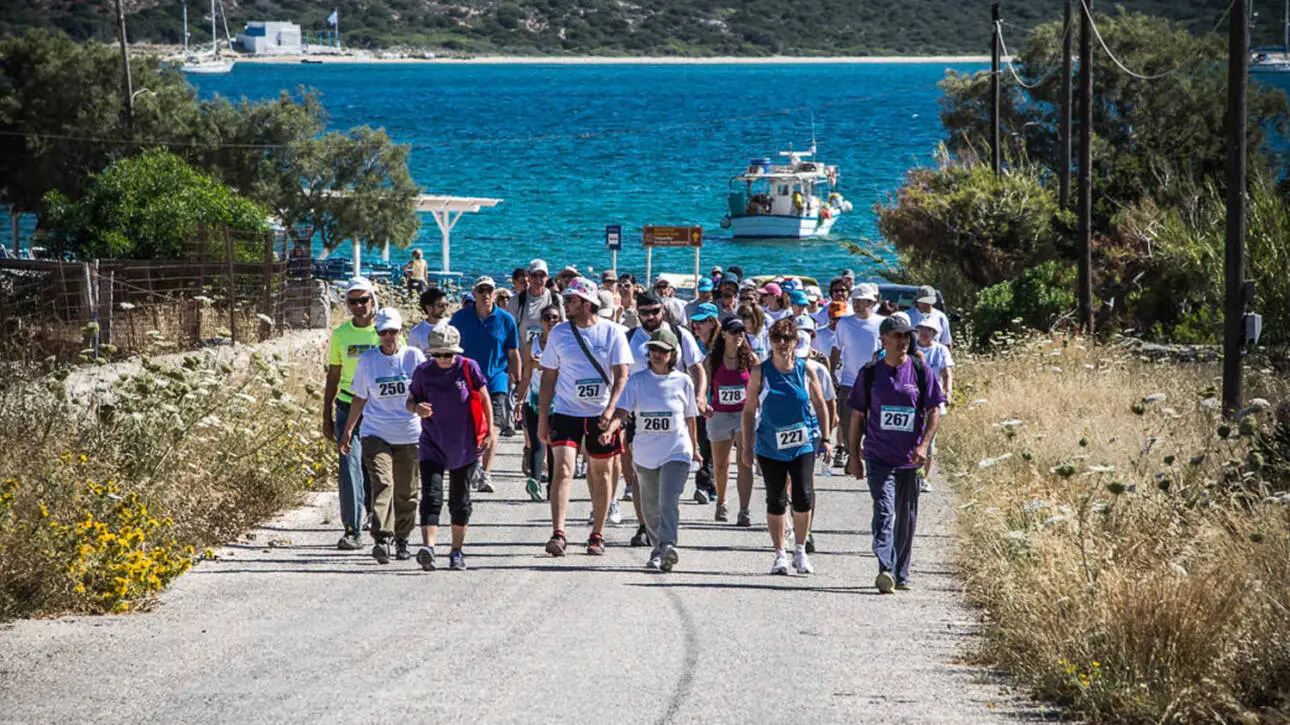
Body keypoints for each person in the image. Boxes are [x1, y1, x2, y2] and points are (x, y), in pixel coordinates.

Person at [847, 316, 945, 594]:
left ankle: (901, 573)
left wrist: (924, 445)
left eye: (907, 337)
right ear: (884, 340)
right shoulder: (869, 373)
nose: (904, 342)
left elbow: (934, 410)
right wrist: (854, 455)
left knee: (907, 516)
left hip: (910, 458)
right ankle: (885, 568)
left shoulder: (921, 371)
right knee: (884, 509)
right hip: (878, 455)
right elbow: (857, 416)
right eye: (897, 336)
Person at [537, 277, 633, 557]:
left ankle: (597, 534)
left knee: (601, 473)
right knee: (563, 469)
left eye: (571, 300)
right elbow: (548, 378)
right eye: (565, 299)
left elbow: (622, 375)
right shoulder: (559, 334)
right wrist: (544, 418)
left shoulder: (612, 332)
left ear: (587, 303)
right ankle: (558, 532)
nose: (566, 305)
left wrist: (611, 410)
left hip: (599, 414)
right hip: (566, 412)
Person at [741, 318, 831, 576]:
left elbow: (820, 403)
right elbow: (748, 411)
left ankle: (800, 549)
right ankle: (780, 553)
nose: (782, 344)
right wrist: (747, 446)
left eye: (788, 339)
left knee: (803, 496)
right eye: (777, 339)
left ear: (795, 342)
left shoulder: (806, 370)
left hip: (802, 443)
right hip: (770, 445)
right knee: (776, 499)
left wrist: (826, 438)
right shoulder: (760, 372)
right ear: (770, 341)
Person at [606, 328, 700, 572]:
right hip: (646, 453)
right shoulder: (637, 381)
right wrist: (610, 429)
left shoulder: (683, 381)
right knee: (649, 505)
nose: (657, 354)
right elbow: (623, 411)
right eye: (653, 350)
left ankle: (668, 545)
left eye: (663, 350)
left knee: (668, 499)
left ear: (673, 354)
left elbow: (690, 418)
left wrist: (695, 448)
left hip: (677, 451)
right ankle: (657, 549)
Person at [339, 307, 425, 564]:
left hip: (409, 433)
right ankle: (381, 537)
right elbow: (360, 396)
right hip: (376, 432)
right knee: (382, 482)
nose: (389, 337)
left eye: (393, 332)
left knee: (407, 491)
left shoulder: (414, 357)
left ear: (401, 332)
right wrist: (348, 430)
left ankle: (403, 539)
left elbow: (426, 391)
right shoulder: (369, 360)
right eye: (384, 332)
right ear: (378, 334)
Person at [623, 292, 708, 541]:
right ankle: (645, 525)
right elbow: (619, 375)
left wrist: (700, 396)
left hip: (675, 412)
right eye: (645, 312)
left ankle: (664, 534)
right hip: (638, 413)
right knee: (641, 474)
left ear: (664, 310)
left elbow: (697, 368)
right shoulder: (629, 338)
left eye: (655, 311)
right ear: (637, 313)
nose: (651, 317)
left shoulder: (680, 335)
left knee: (667, 488)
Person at [408, 324, 493, 572]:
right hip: (432, 442)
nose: (444, 359)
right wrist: (416, 408)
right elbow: (410, 400)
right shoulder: (423, 372)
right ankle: (429, 548)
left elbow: (484, 398)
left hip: (464, 445)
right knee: (432, 497)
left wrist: (490, 432)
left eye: (449, 354)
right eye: (438, 355)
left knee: (460, 501)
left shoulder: (468, 368)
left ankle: (456, 551)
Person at [323, 277, 380, 551]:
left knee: (378, 468)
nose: (358, 306)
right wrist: (326, 416)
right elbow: (333, 374)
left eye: (363, 300)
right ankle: (352, 529)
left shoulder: (385, 332)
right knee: (349, 466)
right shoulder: (341, 335)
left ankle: (383, 523)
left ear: (373, 299)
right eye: (352, 301)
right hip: (347, 407)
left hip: (379, 409)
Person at [450, 276, 521, 490]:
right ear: (474, 293)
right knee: (470, 426)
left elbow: (513, 352)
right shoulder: (460, 318)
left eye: (489, 290)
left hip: (495, 379)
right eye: (481, 290)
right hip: (466, 380)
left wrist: (517, 383)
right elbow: (450, 349)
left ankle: (486, 473)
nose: (486, 295)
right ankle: (475, 465)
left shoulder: (506, 320)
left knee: (494, 425)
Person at [705, 316, 757, 526]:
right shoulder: (712, 360)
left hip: (743, 414)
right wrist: (704, 404)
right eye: (734, 332)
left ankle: (744, 510)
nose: (738, 337)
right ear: (724, 334)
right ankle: (721, 501)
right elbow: (704, 386)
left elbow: (760, 385)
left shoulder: (751, 359)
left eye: (741, 333)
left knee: (745, 461)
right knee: (720, 465)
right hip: (719, 414)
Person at [829, 282, 886, 474]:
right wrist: (831, 374)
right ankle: (851, 453)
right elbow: (837, 348)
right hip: (849, 380)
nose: (859, 305)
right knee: (846, 421)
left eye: (863, 301)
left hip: (874, 381)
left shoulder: (880, 324)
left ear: (872, 303)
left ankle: (868, 457)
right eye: (856, 301)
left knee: (871, 423)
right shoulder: (845, 322)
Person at [515, 303, 561, 503]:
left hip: (558, 400)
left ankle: (552, 485)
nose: (551, 321)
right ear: (541, 321)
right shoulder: (531, 344)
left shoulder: (563, 344)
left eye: (555, 318)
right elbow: (526, 375)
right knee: (535, 442)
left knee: (552, 444)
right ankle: (535, 481)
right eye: (548, 317)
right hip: (534, 398)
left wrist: (542, 364)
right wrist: (519, 400)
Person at [915, 316, 954, 492]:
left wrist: (948, 392)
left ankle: (924, 477)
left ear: (934, 333)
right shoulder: (911, 349)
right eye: (922, 329)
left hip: (933, 401)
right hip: (913, 400)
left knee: (929, 442)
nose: (924, 333)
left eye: (929, 330)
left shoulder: (940, 350)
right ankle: (908, 474)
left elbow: (946, 373)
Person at [687, 302, 721, 503]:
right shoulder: (692, 343)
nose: (696, 326)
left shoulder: (723, 345)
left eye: (700, 322)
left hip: (718, 404)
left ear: (712, 322)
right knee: (703, 445)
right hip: (696, 402)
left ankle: (709, 483)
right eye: (694, 322)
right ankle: (705, 484)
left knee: (715, 447)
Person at [508, 259, 562, 348]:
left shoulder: (556, 299)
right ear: (528, 277)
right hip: (524, 358)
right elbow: (509, 331)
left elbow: (564, 327)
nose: (538, 279)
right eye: (534, 275)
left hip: (550, 357)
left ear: (547, 277)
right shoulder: (516, 301)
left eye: (542, 275)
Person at [407, 287, 450, 356]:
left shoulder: (452, 325)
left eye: (446, 305)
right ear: (429, 308)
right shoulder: (416, 333)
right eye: (441, 305)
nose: (445, 308)